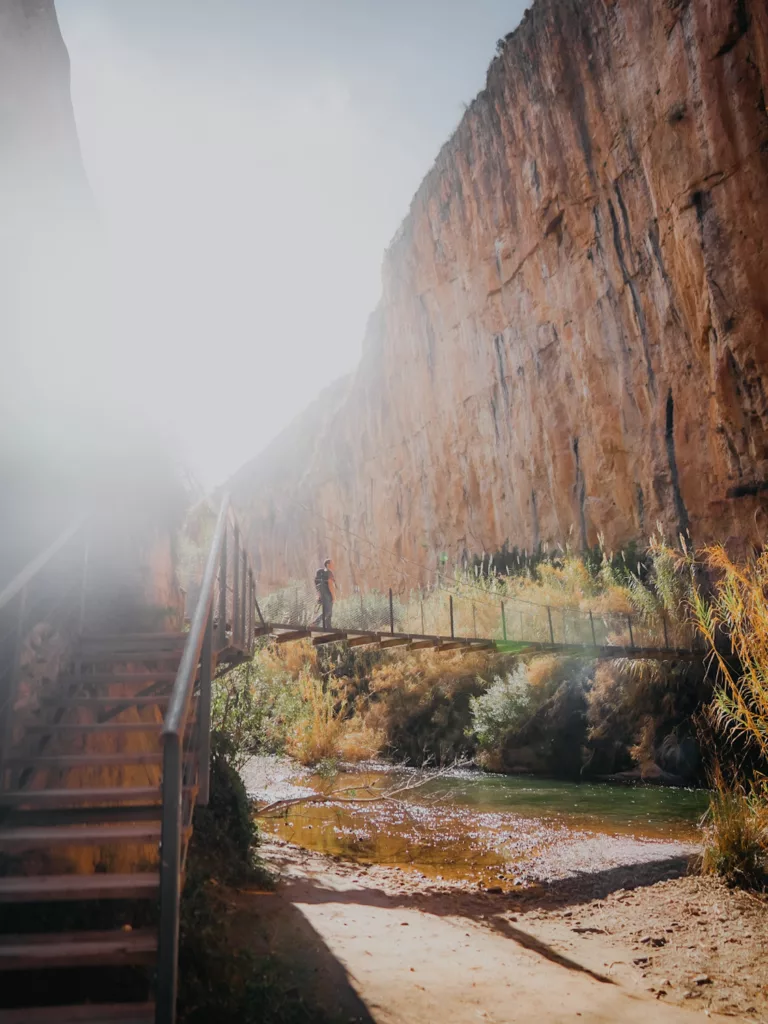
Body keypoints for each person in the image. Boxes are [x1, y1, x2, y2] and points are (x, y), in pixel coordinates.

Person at [312, 558, 336, 629]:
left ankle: (328, 626)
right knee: (328, 611)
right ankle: (315, 623)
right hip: (328, 593)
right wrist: (334, 596)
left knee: (328, 611)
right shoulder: (329, 572)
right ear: (328, 565)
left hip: (322, 593)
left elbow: (317, 584)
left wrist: (319, 594)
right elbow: (330, 584)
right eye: (332, 563)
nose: (334, 565)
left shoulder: (321, 573)